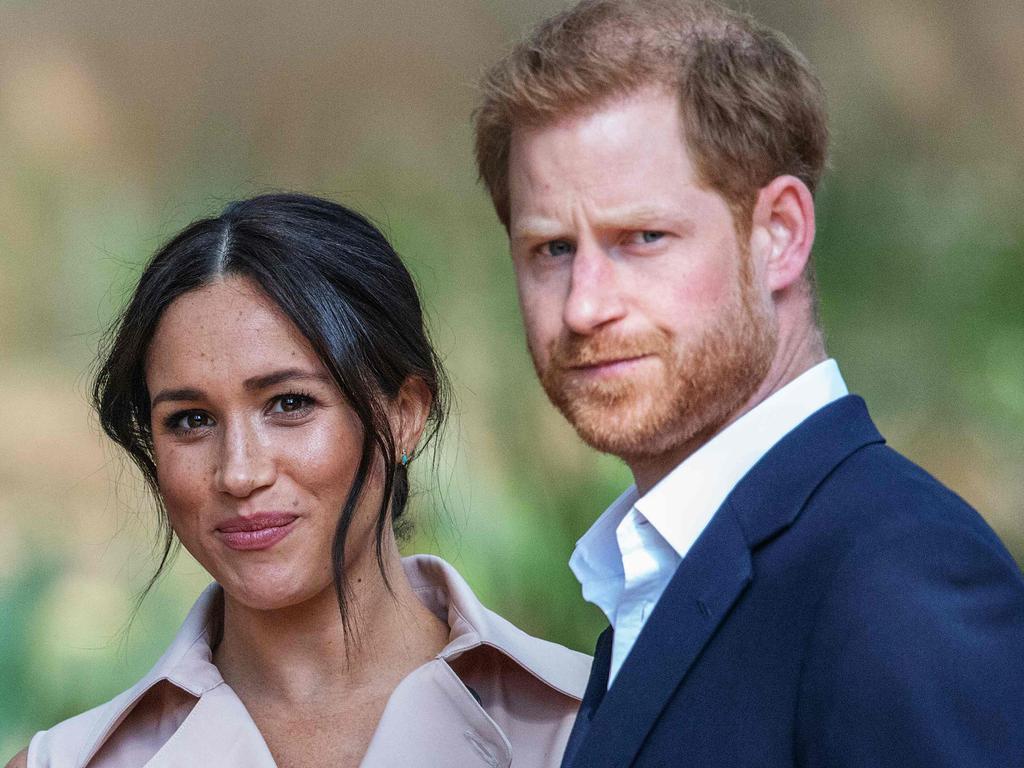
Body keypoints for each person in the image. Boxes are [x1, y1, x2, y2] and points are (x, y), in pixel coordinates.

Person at [472, 1, 1024, 766]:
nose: (585, 305)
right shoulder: (664, 574)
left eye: (642, 238)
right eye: (551, 250)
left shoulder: (897, 580)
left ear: (781, 235)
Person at [7, 193, 589, 768]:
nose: (239, 472)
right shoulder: (68, 762)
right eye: (191, 420)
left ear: (405, 414)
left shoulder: (591, 725)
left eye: (289, 404)